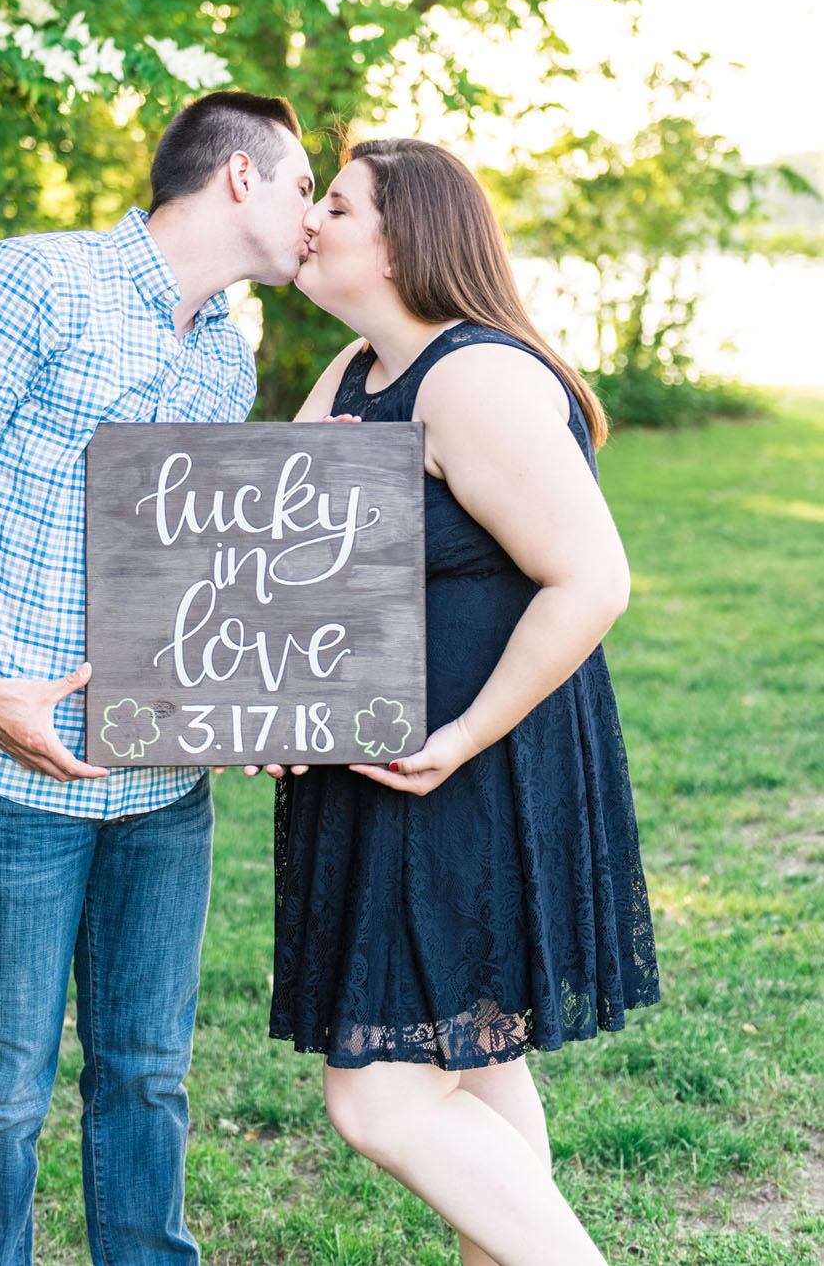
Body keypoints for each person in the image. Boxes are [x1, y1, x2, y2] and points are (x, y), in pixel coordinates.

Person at [0, 90, 314, 1266]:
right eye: (304, 185)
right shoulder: (32, 281)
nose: (312, 213)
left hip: (159, 785)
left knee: (150, 1074)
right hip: (11, 766)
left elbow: (201, 564)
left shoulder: (228, 348)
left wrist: (250, 699)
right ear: (237, 178)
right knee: (4, 1087)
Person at [268, 137, 660, 1266]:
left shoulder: (472, 378)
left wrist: (460, 737)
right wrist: (273, 714)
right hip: (389, 760)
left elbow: (591, 580)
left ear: (401, 241)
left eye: (333, 206)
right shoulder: (351, 373)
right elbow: (276, 570)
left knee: (379, 1099)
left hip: (471, 763)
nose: (311, 220)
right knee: (476, 1059)